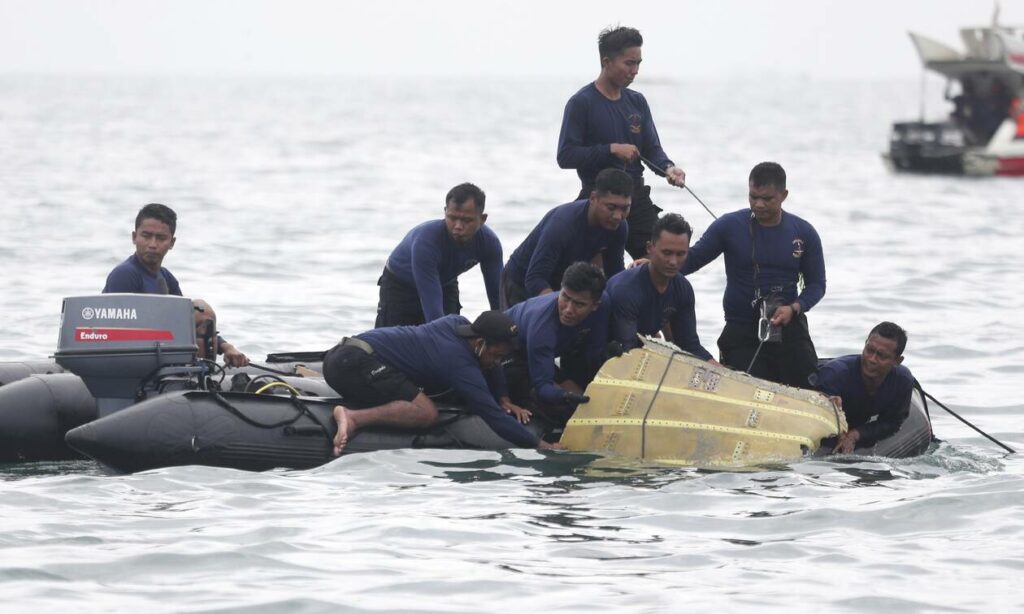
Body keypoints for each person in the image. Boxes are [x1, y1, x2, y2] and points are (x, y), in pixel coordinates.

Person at [323, 311, 560, 455]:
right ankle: (353, 417)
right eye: (496, 355)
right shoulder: (458, 362)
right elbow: (492, 416)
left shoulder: (458, 324)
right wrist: (541, 445)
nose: (497, 363)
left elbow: (494, 366)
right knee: (426, 412)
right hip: (351, 363)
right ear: (479, 343)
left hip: (343, 353)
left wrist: (504, 398)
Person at [681, 162, 825, 388]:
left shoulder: (804, 232)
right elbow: (690, 260)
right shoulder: (729, 226)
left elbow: (817, 284)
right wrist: (654, 264)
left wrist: (795, 308)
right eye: (753, 197)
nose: (758, 204)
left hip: (788, 326)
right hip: (741, 329)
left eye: (767, 199)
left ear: (783, 195)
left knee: (810, 388)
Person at [557, 25, 686, 259]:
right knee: (591, 274)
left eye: (638, 63)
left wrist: (668, 168)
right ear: (606, 62)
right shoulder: (581, 102)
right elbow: (566, 156)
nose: (635, 71)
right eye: (629, 63)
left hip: (636, 197)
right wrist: (611, 150)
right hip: (598, 199)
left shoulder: (637, 101)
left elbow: (652, 149)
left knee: (661, 260)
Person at [103, 203, 248, 367]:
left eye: (161, 238)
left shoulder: (166, 277)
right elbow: (118, 330)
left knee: (200, 311)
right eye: (146, 236)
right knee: (201, 308)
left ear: (172, 242)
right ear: (134, 237)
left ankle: (204, 374)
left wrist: (227, 347)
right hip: (129, 359)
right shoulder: (125, 274)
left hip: (161, 350)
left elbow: (187, 321)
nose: (152, 244)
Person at [376, 183, 503, 328]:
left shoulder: (490, 243)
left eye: (467, 220)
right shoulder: (427, 241)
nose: (458, 226)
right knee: (403, 340)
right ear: (445, 212)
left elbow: (498, 297)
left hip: (445, 282)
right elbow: (434, 316)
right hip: (400, 285)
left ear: (482, 219)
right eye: (452, 218)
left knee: (453, 335)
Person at [501, 168, 630, 308]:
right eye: (611, 207)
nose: (618, 216)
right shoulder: (562, 225)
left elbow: (614, 276)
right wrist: (562, 308)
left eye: (624, 209)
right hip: (521, 281)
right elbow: (535, 279)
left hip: (563, 285)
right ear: (593, 198)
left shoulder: (620, 227)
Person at [502, 262, 610, 425]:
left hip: (540, 354)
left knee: (586, 400)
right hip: (508, 356)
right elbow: (543, 387)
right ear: (560, 288)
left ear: (595, 305)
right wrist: (565, 397)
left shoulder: (605, 305)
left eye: (579, 304)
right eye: (565, 297)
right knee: (565, 408)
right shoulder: (543, 327)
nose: (568, 310)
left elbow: (595, 350)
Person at [607, 213, 715, 361]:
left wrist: (722, 371)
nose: (673, 262)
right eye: (667, 253)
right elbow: (627, 352)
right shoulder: (626, 289)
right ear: (650, 248)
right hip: (607, 354)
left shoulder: (683, 288)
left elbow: (689, 345)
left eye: (681, 254)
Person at [813, 322, 913, 454]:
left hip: (857, 424)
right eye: (869, 350)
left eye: (881, 356)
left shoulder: (902, 381)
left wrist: (856, 434)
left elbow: (892, 423)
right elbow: (813, 416)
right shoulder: (835, 374)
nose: (872, 359)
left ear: (897, 361)